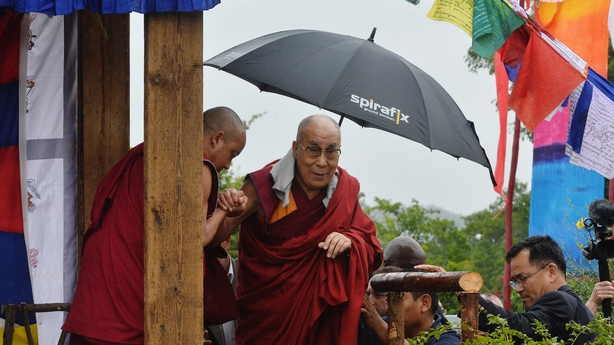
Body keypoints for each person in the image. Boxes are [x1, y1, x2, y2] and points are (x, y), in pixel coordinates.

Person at [62, 107, 247, 345]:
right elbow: (196, 238)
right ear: (217, 139)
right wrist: (224, 210)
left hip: (100, 285)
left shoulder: (152, 152)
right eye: (232, 154)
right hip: (129, 298)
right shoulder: (197, 166)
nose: (230, 165)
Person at [215, 114, 383, 345]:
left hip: (319, 326)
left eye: (331, 151)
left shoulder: (345, 190)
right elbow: (218, 235)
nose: (322, 162)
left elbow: (371, 246)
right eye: (313, 150)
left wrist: (350, 241)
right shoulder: (264, 184)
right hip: (265, 323)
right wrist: (226, 207)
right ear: (296, 149)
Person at [416, 235, 596, 344]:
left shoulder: (561, 301)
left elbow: (515, 326)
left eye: (523, 279)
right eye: (514, 281)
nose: (518, 289)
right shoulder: (571, 305)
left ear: (551, 272)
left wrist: (460, 287)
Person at [205, 237, 238, 345]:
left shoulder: (249, 274)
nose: (210, 259)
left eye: (214, 250)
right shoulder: (191, 290)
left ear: (227, 242)